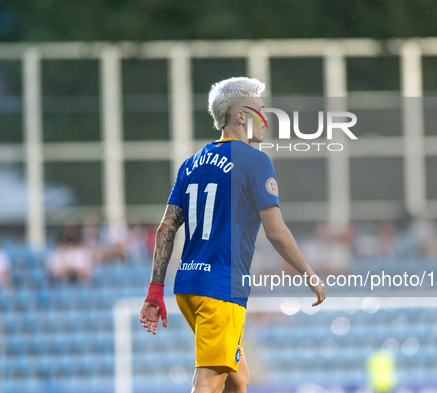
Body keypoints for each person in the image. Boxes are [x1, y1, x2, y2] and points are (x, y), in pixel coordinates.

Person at [139, 77, 327, 393]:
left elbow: (166, 228)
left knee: (238, 380)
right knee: (209, 382)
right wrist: (308, 273)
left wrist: (156, 290)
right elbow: (276, 232)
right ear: (240, 116)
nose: (266, 116)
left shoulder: (191, 164)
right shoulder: (254, 161)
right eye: (260, 109)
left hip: (188, 284)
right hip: (220, 287)